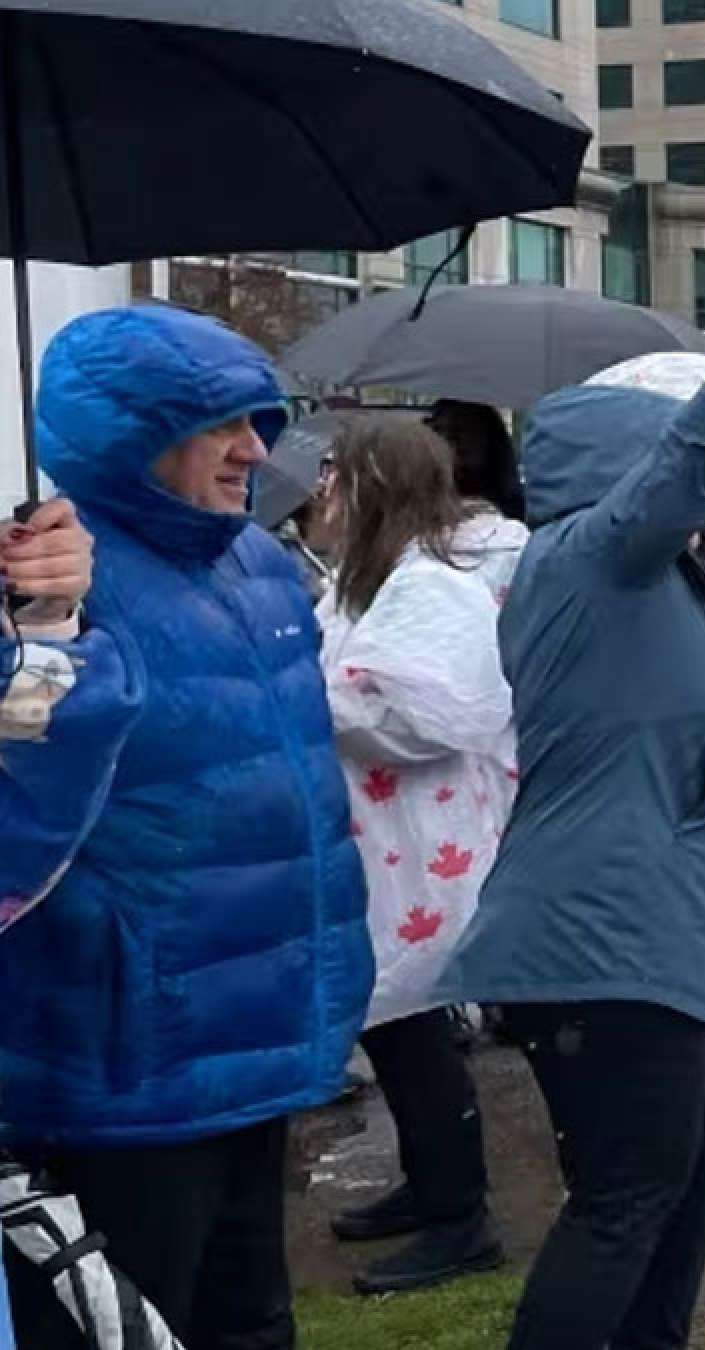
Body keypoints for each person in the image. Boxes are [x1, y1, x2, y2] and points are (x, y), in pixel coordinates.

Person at [441, 226, 705, 1350]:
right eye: (670, 469)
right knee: (623, 1204)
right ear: (629, 473)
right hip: (603, 942)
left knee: (692, 1185)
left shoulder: (681, 590)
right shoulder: (585, 561)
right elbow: (699, 452)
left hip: (688, 941)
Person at [0, 306, 373, 1350]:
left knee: (251, 1323)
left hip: (263, 1036)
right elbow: (25, 783)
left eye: (260, 418)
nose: (257, 448)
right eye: (221, 424)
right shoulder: (46, 573)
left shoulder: (256, 564)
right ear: (134, 433)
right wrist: (45, 631)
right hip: (123, 1068)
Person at [315, 415, 526, 1294]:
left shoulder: (430, 584)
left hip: (421, 851)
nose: (321, 489)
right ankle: (435, 1185)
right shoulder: (372, 577)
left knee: (412, 1028)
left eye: (334, 471)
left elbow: (439, 716)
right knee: (397, 1026)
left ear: (374, 483)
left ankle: (460, 1213)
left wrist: (318, 696)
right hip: (387, 846)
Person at [425, 399, 525, 522]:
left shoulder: (518, 509)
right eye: (438, 430)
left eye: (458, 430)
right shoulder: (421, 503)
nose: (446, 442)